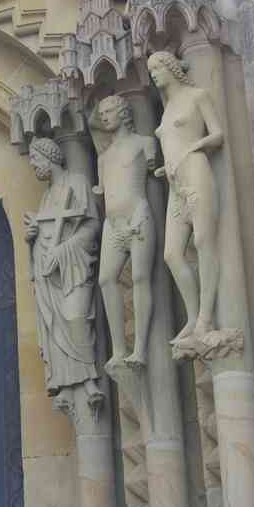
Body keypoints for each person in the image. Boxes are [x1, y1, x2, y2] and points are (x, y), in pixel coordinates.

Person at [23, 137, 104, 412]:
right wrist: (32, 236)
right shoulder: (46, 195)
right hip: (49, 271)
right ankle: (68, 387)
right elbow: (46, 231)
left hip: (73, 265)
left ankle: (90, 379)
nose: (33, 165)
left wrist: (64, 250)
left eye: (35, 159)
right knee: (55, 325)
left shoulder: (77, 182)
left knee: (75, 317)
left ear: (50, 157)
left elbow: (91, 225)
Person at [148, 50, 224, 343]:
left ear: (170, 68)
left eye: (157, 68)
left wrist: (191, 149)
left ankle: (207, 318)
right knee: (171, 254)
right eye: (151, 70)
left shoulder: (197, 96)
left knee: (204, 241)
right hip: (175, 185)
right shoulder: (167, 107)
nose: (154, 74)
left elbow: (217, 134)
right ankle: (193, 316)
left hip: (196, 171)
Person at [89, 95, 159, 370]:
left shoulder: (144, 143)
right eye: (101, 112)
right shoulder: (103, 157)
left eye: (109, 111)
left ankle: (140, 348)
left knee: (141, 277)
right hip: (112, 224)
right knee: (106, 279)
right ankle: (119, 349)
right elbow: (103, 190)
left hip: (138, 216)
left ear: (124, 112)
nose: (104, 116)